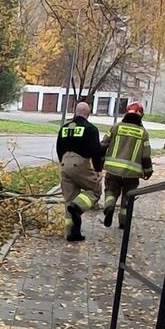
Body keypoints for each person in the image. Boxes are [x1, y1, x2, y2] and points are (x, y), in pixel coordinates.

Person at [55, 101, 104, 242]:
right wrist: (98, 170)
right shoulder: (90, 129)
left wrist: (63, 163)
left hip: (64, 163)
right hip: (81, 163)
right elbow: (95, 151)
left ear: (75, 112)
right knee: (94, 190)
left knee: (69, 199)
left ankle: (71, 234)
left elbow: (58, 148)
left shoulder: (64, 128)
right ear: (88, 114)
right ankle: (77, 207)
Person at [101, 101, 153, 229]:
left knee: (110, 190)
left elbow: (103, 144)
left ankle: (109, 205)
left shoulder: (116, 127)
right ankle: (123, 222)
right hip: (132, 173)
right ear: (141, 115)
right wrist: (148, 171)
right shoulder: (143, 133)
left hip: (113, 170)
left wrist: (100, 161)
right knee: (128, 197)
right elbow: (146, 155)